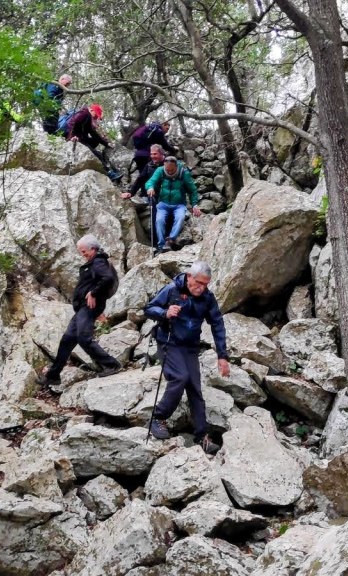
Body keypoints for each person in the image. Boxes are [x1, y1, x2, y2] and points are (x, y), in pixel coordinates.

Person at [144, 261, 229, 454]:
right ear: (189, 277)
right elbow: (149, 308)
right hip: (169, 341)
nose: (202, 287)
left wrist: (222, 356)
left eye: (206, 284)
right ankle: (157, 417)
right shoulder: (172, 289)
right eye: (199, 283)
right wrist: (165, 313)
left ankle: (201, 436)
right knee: (180, 377)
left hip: (190, 346)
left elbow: (217, 324)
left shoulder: (207, 297)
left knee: (194, 388)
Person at [40, 235, 123, 386]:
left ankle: (112, 364)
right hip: (83, 309)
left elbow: (108, 278)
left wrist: (93, 293)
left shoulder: (98, 261)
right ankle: (53, 376)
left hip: (88, 307)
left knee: (83, 338)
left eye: (84, 251)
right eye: (81, 252)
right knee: (67, 340)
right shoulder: (93, 262)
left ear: (93, 249)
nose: (82, 254)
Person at [146, 155, 201, 253]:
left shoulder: (183, 173)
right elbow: (151, 181)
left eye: (171, 170)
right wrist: (150, 187)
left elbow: (192, 191)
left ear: (176, 166)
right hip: (163, 203)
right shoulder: (160, 170)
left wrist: (195, 205)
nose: (169, 172)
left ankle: (170, 240)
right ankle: (161, 245)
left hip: (179, 204)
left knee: (180, 218)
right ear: (164, 165)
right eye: (167, 170)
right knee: (159, 220)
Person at [66, 103, 122, 183]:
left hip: (81, 138)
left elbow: (93, 133)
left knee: (95, 142)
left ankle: (110, 171)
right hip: (77, 139)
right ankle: (110, 173)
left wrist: (106, 143)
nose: (96, 118)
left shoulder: (88, 117)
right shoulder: (84, 114)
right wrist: (71, 137)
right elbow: (71, 123)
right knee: (97, 154)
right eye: (96, 116)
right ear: (91, 110)